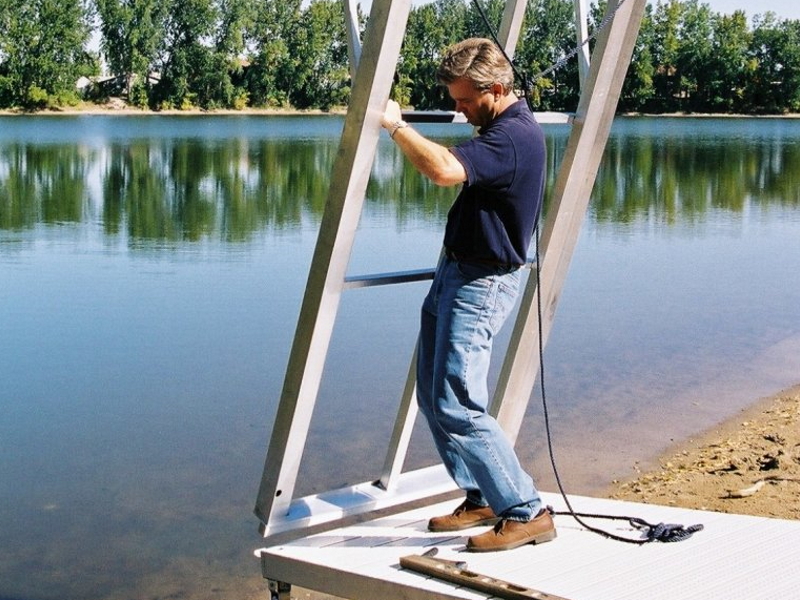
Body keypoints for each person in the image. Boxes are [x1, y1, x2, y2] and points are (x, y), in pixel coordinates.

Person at [381, 38, 555, 552]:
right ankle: (482, 494)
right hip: (456, 272)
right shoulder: (500, 128)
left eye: (464, 99)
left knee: (457, 401)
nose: (459, 110)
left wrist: (396, 126)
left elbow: (442, 170)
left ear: (496, 89)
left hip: (482, 282)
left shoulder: (513, 137)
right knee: (433, 394)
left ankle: (526, 510)